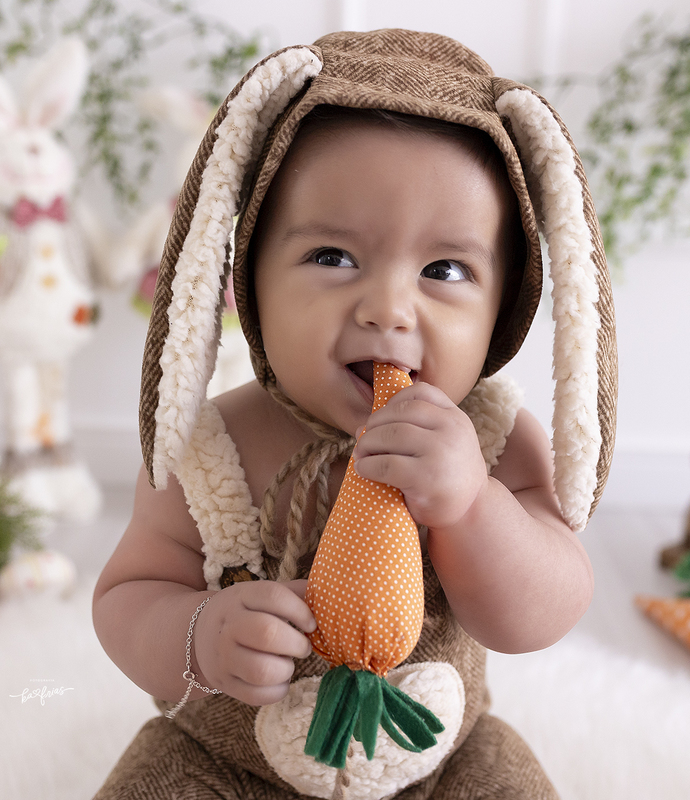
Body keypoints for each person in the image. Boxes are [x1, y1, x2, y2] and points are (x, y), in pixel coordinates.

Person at [93, 28, 617, 800]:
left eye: (445, 269)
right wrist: (199, 635)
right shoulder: (210, 449)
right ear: (250, 284)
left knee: (505, 778)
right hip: (229, 764)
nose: (388, 308)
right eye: (333, 258)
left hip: (437, 764)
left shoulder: (496, 444)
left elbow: (540, 614)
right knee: (153, 782)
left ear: (505, 309)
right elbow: (126, 598)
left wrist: (473, 506)